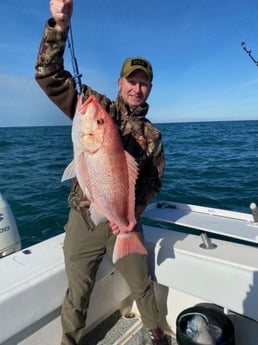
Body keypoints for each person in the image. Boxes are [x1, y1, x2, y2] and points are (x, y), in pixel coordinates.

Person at [35, 1, 168, 344]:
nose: (137, 88)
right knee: (77, 294)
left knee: (143, 284)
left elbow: (153, 184)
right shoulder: (97, 108)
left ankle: (155, 334)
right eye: (131, 81)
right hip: (84, 218)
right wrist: (59, 26)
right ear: (120, 82)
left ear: (149, 89)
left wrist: (126, 218)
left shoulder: (152, 136)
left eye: (144, 83)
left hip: (125, 219)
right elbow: (49, 75)